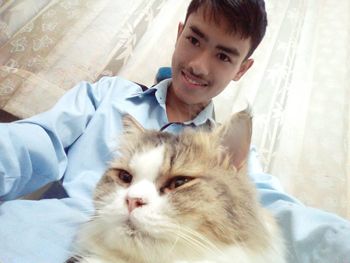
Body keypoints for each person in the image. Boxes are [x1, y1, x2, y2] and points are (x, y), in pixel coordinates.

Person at [0, 0, 349, 262]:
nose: (199, 64)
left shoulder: (226, 150)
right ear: (179, 32)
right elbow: (28, 144)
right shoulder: (107, 96)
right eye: (195, 40)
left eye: (224, 56)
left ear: (243, 69)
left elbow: (285, 214)